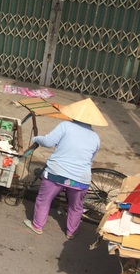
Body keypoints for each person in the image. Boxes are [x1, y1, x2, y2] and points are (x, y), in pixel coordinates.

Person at [22, 98, 108, 239]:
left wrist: (37, 138)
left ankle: (37, 226)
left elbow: (48, 142)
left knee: (44, 200)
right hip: (80, 180)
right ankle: (71, 232)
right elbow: (90, 160)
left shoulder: (65, 126)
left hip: (56, 174)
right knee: (76, 207)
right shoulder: (95, 137)